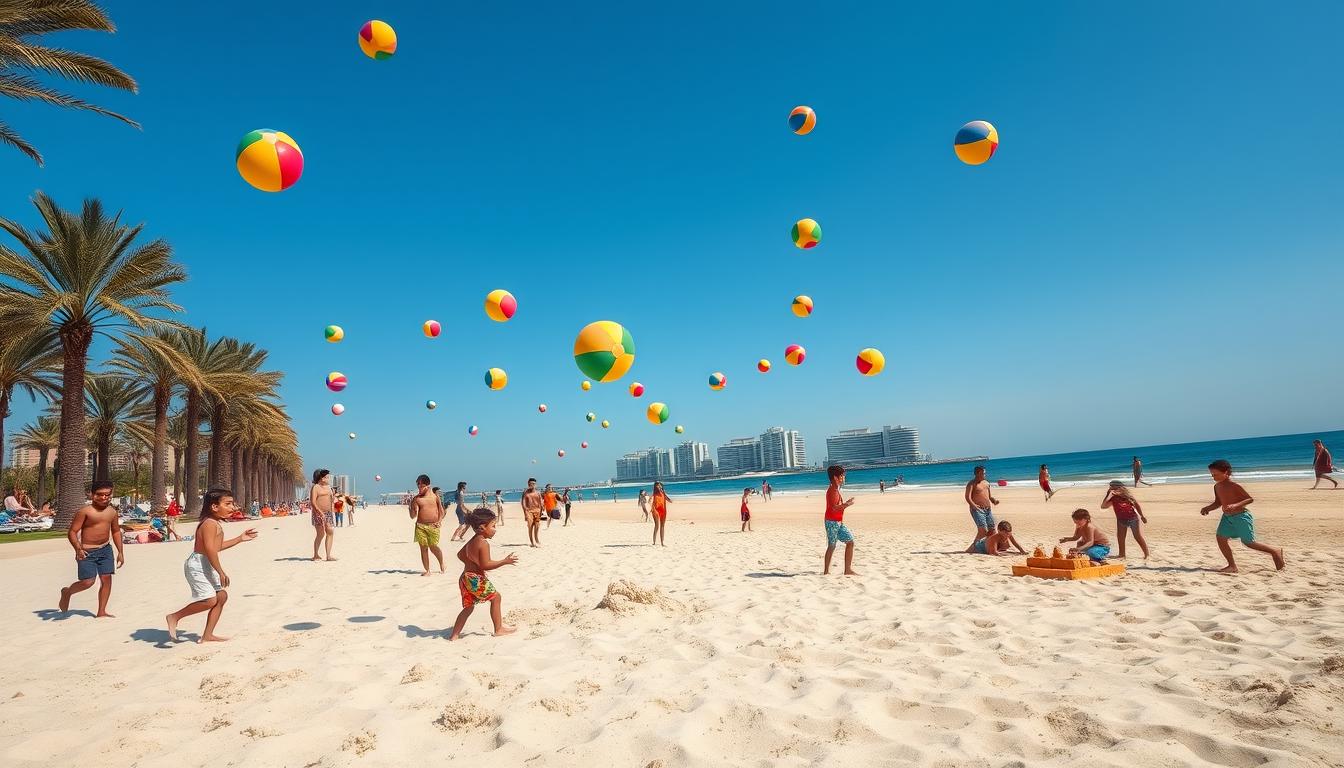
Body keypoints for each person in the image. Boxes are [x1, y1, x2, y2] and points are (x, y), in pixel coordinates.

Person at [165, 488, 258, 643]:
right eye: (228, 504)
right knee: (209, 600)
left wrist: (240, 538)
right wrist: (221, 572)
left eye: (232, 504)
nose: (232, 507)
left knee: (221, 596)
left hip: (206, 563)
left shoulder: (214, 523)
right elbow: (209, 549)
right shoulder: (209, 524)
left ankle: (208, 635)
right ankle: (174, 617)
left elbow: (216, 547)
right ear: (214, 507)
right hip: (197, 565)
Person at [1201, 459, 1285, 573]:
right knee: (1220, 538)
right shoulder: (1217, 487)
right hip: (1227, 517)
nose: (1213, 477)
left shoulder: (1234, 485)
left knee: (1249, 543)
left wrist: (1236, 505)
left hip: (1241, 517)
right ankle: (1232, 566)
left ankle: (1275, 551)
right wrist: (1207, 508)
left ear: (1227, 473)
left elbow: (1249, 499)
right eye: (1212, 474)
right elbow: (1218, 502)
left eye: (1215, 474)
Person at [448, 509, 518, 641]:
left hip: (465, 577)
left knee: (468, 608)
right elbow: (486, 565)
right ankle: (498, 629)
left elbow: (460, 555)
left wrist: (471, 563)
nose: (495, 529)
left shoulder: (472, 540)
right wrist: (504, 561)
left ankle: (454, 635)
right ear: (482, 528)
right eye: (493, 526)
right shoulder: (483, 543)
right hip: (475, 579)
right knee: (496, 598)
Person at [57, 480, 124, 616]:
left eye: (107, 495)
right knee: (88, 582)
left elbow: (116, 531)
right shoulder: (85, 512)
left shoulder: (112, 512)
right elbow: (72, 532)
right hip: (86, 551)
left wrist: (120, 552)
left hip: (105, 549)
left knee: (106, 579)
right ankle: (67, 592)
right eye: (100, 495)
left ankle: (101, 611)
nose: (104, 498)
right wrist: (78, 548)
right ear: (92, 495)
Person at [409, 474, 446, 576]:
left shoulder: (435, 497)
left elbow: (441, 512)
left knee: (433, 547)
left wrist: (439, 522)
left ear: (428, 485)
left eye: (421, 486)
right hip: (420, 527)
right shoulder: (417, 499)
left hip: (433, 526)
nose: (419, 489)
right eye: (418, 486)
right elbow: (412, 516)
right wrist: (411, 506)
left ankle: (442, 563)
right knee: (423, 548)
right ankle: (427, 570)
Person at [1101, 481, 1149, 558]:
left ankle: (1146, 554)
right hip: (1121, 520)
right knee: (1121, 538)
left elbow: (1137, 505)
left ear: (1120, 488)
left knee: (1137, 536)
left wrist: (1142, 516)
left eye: (1112, 487)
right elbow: (1103, 506)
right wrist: (1109, 495)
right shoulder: (1112, 498)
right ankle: (1122, 554)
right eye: (1110, 487)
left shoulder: (1127, 496)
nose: (1111, 489)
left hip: (1133, 519)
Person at [823, 465, 856, 575]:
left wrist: (845, 503)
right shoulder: (832, 490)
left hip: (838, 521)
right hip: (831, 522)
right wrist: (847, 504)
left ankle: (848, 570)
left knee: (850, 542)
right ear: (836, 478)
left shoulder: (835, 489)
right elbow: (834, 508)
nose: (844, 478)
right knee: (832, 546)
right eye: (842, 476)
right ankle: (826, 572)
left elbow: (836, 506)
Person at [963, 465, 999, 547]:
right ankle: (973, 547)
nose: (985, 475)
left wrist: (994, 501)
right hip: (977, 510)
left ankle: (990, 546)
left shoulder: (986, 483)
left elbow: (989, 497)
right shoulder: (971, 484)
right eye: (983, 473)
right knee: (983, 531)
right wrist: (974, 506)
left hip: (988, 510)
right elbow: (967, 497)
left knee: (992, 530)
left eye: (985, 473)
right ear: (977, 473)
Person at [309, 469, 336, 561]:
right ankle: (316, 555)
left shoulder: (329, 487)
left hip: (328, 513)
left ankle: (328, 556)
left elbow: (331, 500)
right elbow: (313, 502)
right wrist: (320, 512)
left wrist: (333, 499)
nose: (328, 478)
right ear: (321, 478)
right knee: (320, 534)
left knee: (330, 531)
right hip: (317, 513)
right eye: (327, 477)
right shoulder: (315, 487)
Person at [521, 478, 543, 547]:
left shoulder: (538, 493)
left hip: (537, 511)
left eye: (533, 484)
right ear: (528, 484)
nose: (532, 485)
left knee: (537, 526)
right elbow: (523, 503)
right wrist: (525, 512)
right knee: (530, 526)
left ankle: (536, 539)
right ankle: (532, 541)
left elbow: (541, 503)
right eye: (530, 484)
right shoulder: (525, 492)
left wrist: (541, 512)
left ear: (535, 484)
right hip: (529, 511)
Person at [650, 480, 670, 546]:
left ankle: (662, 542)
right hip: (656, 510)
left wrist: (663, 492)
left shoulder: (663, 493)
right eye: (657, 485)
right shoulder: (654, 494)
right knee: (657, 526)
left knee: (662, 526)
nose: (658, 486)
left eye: (659, 485)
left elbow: (670, 500)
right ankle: (654, 542)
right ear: (655, 487)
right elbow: (649, 500)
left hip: (663, 510)